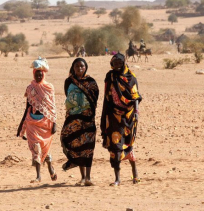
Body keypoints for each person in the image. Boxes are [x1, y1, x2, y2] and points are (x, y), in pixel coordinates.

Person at [100, 53, 142, 186]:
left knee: (128, 145)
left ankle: (135, 174)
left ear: (123, 63)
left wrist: (135, 111)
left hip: (128, 117)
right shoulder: (110, 76)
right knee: (115, 146)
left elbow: (135, 96)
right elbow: (107, 96)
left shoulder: (131, 77)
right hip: (113, 116)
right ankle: (117, 178)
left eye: (119, 63)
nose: (117, 65)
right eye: (115, 63)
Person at [17, 57, 57, 183]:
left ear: (44, 74)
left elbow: (53, 107)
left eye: (41, 74)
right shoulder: (30, 88)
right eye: (36, 74)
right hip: (32, 122)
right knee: (36, 149)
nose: (39, 76)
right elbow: (27, 107)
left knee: (44, 149)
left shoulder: (49, 88)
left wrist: (54, 123)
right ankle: (38, 176)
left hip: (46, 123)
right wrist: (21, 126)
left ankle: (50, 165)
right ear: (34, 74)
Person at [61, 58, 99, 186]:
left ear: (85, 67)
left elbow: (95, 98)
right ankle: (82, 177)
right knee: (77, 146)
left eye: (82, 66)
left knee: (88, 148)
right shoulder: (69, 81)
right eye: (77, 66)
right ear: (73, 67)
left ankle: (88, 177)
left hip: (88, 119)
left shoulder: (91, 82)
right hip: (73, 119)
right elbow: (68, 96)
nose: (80, 68)